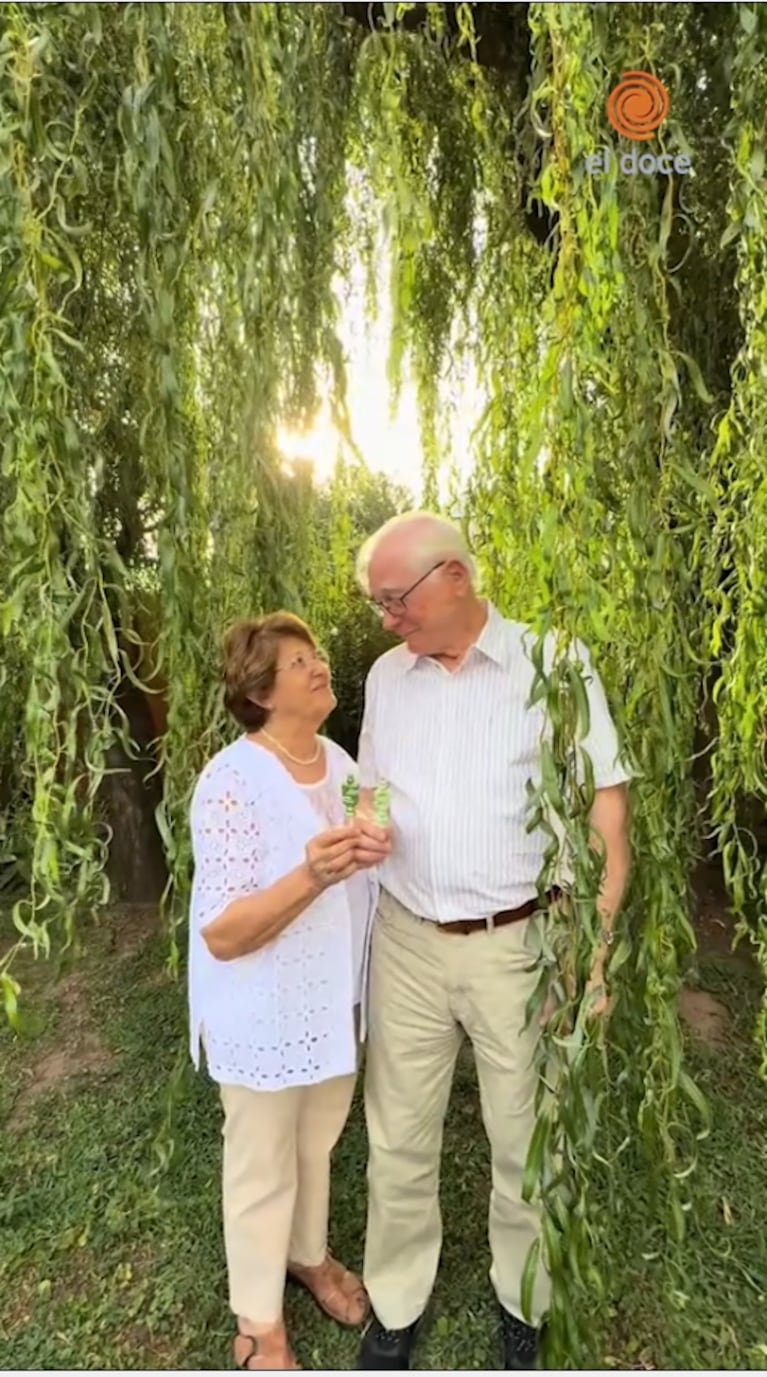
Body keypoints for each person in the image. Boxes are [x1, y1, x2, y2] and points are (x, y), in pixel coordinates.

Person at [351, 512, 632, 1371]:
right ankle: (394, 1302)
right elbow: (372, 792)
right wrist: (365, 831)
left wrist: (592, 957)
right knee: (396, 1135)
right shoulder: (386, 678)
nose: (386, 618)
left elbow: (605, 816)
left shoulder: (554, 664)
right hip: (405, 937)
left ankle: (523, 1298)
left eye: (394, 599)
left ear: (456, 578)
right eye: (377, 604)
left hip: (518, 943)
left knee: (522, 1137)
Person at [187, 612, 392, 1371]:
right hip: (261, 1008)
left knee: (317, 1142)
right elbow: (222, 931)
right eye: (300, 659)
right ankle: (257, 1321)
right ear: (261, 689)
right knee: (261, 1160)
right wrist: (312, 873)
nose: (319, 666)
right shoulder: (232, 779)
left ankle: (307, 1255)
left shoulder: (340, 764)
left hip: (331, 1001)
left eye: (316, 655)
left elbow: (363, 860)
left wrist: (374, 848)